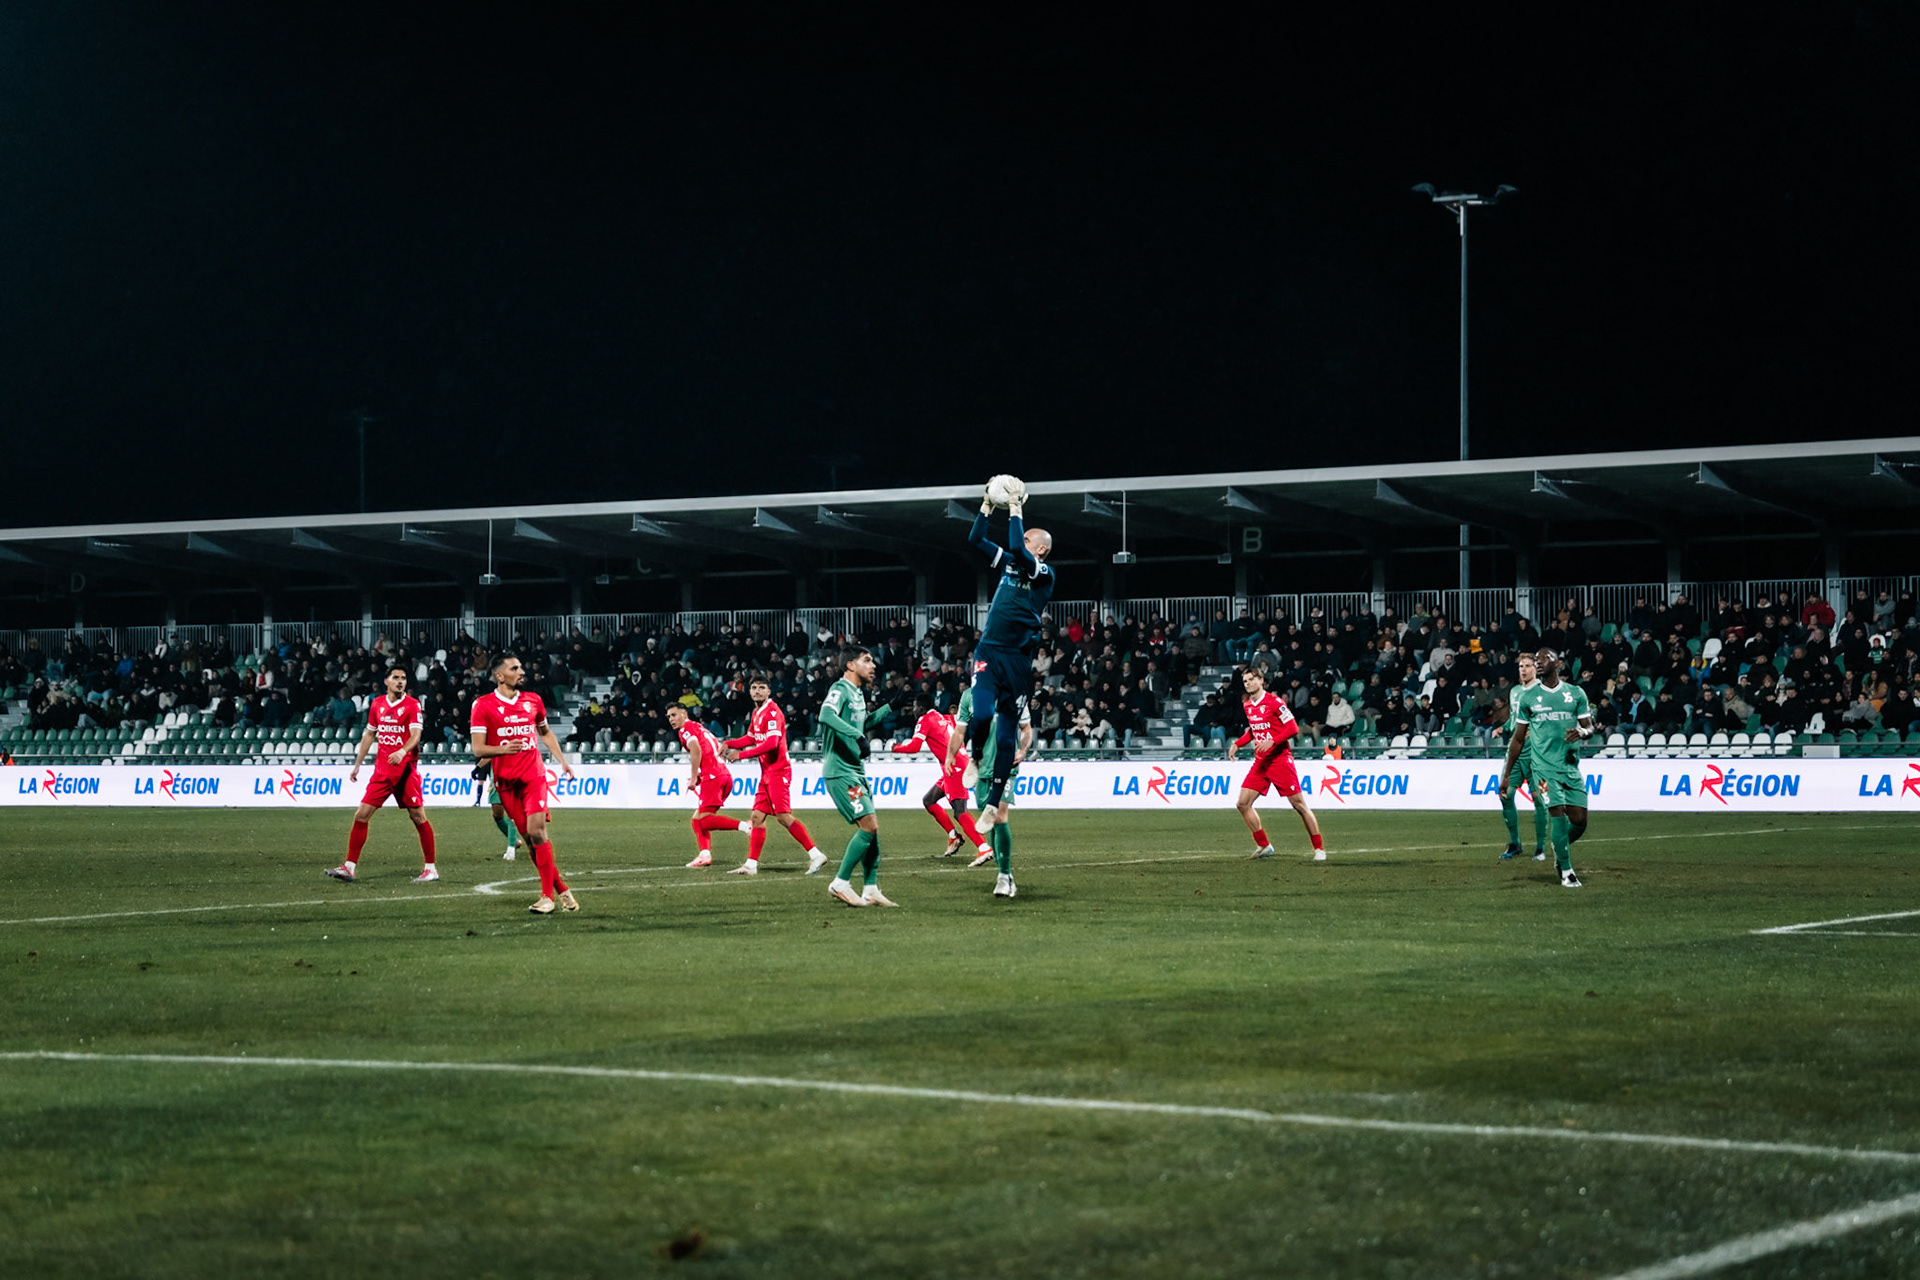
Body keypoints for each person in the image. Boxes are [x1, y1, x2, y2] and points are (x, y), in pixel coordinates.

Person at [963, 475, 1056, 810]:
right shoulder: (1011, 562)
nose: (1021, 538)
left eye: (1029, 538)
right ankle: (974, 759)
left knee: (1006, 734)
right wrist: (987, 505)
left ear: (1040, 548)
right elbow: (976, 538)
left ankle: (993, 805)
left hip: (1017, 658)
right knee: (983, 714)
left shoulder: (1043, 572)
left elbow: (1018, 545)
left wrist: (1015, 507)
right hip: (989, 648)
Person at [470, 653, 578, 914]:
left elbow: (544, 732)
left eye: (520, 667)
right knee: (530, 841)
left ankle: (545, 897)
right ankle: (562, 890)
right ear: (499, 676)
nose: (521, 672)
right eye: (514, 668)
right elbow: (477, 749)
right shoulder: (482, 705)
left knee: (538, 831)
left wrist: (562, 760)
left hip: (533, 777)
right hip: (506, 784)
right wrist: (502, 749)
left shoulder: (533, 700)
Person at [326, 665, 438, 883]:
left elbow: (416, 735)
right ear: (386, 681)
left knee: (418, 817)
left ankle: (431, 868)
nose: (400, 681)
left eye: (403, 678)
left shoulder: (412, 705)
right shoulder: (377, 704)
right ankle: (349, 867)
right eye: (395, 677)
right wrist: (357, 764)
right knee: (361, 815)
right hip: (382, 772)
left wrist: (402, 751)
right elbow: (369, 734)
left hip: (405, 772)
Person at [1500, 648, 1595, 889]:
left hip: (1570, 767)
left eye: (1544, 659)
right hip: (1543, 768)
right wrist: (1507, 772)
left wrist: (1582, 732)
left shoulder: (1575, 694)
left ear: (1559, 664)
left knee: (1580, 821)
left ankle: (1558, 845)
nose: (1539, 663)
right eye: (1537, 660)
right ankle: (1566, 870)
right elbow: (1518, 740)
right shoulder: (1528, 699)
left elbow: (1590, 727)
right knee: (1557, 812)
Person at [720, 674, 828, 876]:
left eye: (762, 687)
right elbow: (751, 737)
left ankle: (816, 855)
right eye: (754, 687)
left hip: (779, 771)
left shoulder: (773, 713)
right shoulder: (757, 712)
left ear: (769, 691)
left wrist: (741, 755)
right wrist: (729, 743)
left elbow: (770, 744)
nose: (757, 691)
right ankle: (751, 865)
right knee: (757, 817)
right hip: (767, 773)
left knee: (783, 817)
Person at [818, 645, 893, 907]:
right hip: (840, 770)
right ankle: (840, 882)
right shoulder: (839, 689)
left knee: (872, 829)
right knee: (869, 826)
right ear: (850, 665)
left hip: (855, 770)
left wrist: (889, 708)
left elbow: (863, 722)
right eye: (867, 660)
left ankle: (870, 889)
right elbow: (825, 715)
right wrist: (857, 736)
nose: (873, 665)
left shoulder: (858, 694)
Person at [1227, 666, 1325, 861]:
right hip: (1261, 762)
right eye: (1245, 681)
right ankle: (1264, 846)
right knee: (1242, 804)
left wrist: (1273, 741)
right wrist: (1237, 744)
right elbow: (1254, 731)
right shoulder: (1248, 705)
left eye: (1251, 679)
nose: (1248, 684)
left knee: (1299, 806)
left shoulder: (1275, 702)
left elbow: (1292, 728)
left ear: (1261, 680)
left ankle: (1319, 848)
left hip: (1280, 760)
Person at [890, 700, 993, 861]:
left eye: (916, 706)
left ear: (922, 708)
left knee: (960, 811)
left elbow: (915, 747)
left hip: (955, 766)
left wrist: (896, 748)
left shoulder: (925, 719)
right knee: (929, 800)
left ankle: (983, 847)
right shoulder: (946, 718)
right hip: (958, 763)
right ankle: (954, 836)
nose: (914, 710)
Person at [955, 682, 1031, 897]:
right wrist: (951, 756)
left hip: (1007, 763)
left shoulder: (1016, 694)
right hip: (981, 768)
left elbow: (1026, 730)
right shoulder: (970, 697)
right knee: (988, 821)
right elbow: (960, 731)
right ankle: (1004, 872)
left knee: (998, 816)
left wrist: (1023, 750)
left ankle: (1004, 875)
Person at [669, 705, 742, 868]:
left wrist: (695, 777)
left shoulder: (685, 730)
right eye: (669, 717)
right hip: (723, 775)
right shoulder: (700, 728)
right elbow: (710, 751)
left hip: (714, 778)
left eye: (674, 715)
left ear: (683, 714)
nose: (671, 719)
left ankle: (745, 826)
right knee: (697, 820)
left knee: (705, 821)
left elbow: (696, 751)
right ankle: (705, 855)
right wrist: (701, 776)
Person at [1494, 653, 1550, 862]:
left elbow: (1547, 720)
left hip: (1536, 755)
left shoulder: (1543, 692)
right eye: (1520, 666)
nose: (1523, 669)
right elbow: (1514, 719)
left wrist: (1535, 731)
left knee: (1539, 801)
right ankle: (1515, 843)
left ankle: (1540, 848)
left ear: (1536, 668)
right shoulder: (1515, 692)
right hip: (1515, 753)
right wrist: (1504, 727)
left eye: (1527, 666)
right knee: (1505, 794)